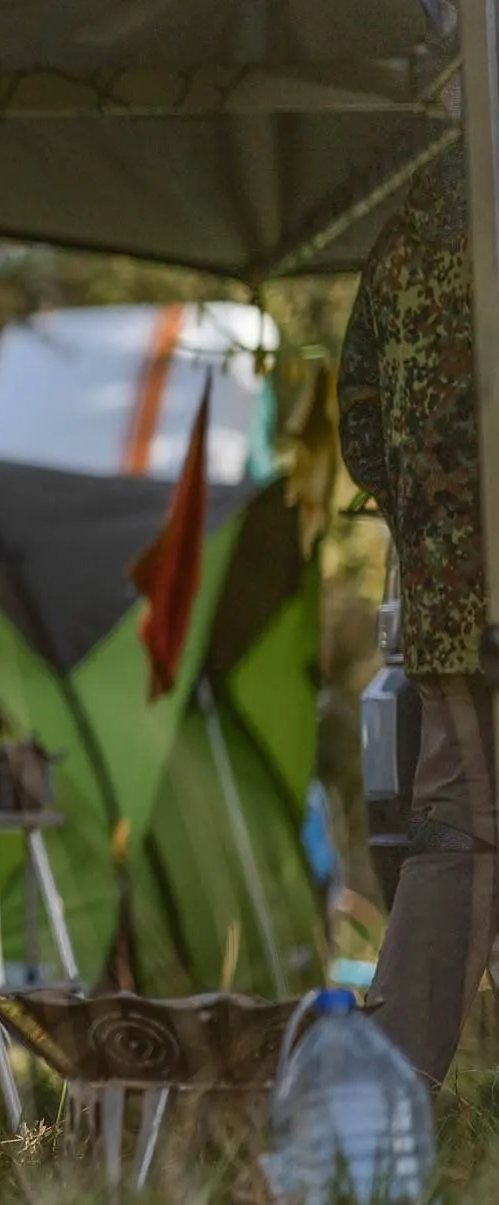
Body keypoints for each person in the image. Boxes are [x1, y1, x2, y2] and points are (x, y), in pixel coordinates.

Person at [339, 139, 496, 1085]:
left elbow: (359, 412)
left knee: (456, 834)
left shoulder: (407, 234)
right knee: (460, 836)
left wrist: (432, 526)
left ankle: (379, 1099)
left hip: (448, 599)